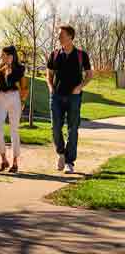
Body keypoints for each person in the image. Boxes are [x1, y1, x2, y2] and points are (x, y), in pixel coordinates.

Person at [47, 25, 93, 174]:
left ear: (70, 37)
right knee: (55, 127)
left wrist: (80, 87)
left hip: (74, 97)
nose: (59, 37)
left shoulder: (81, 55)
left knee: (73, 129)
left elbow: (89, 74)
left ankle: (69, 162)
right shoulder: (54, 54)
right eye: (59, 35)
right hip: (57, 96)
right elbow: (49, 75)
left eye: (62, 35)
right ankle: (61, 153)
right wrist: (51, 88)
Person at [0, 46, 26, 173]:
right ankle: (4, 159)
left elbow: (22, 85)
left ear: (11, 56)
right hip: (0, 97)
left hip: (14, 97)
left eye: (4, 55)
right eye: (2, 55)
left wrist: (23, 101)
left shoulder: (20, 68)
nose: (2, 57)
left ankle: (15, 162)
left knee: (14, 130)